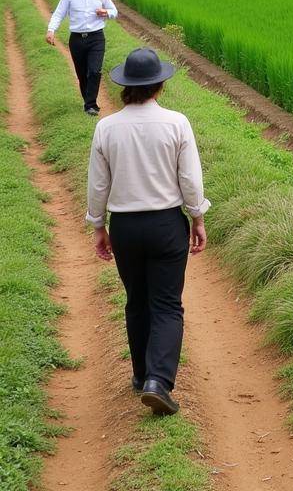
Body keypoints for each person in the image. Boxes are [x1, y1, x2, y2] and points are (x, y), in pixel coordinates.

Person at [86, 47, 210, 416]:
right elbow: (189, 179)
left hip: (125, 226)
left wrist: (98, 226)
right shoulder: (176, 123)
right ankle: (158, 380)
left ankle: (141, 377)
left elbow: (98, 184)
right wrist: (198, 217)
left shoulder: (106, 126)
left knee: (136, 301)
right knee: (167, 304)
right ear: (159, 85)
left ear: (125, 87)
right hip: (166, 224)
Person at [46, 0, 118, 116]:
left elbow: (114, 11)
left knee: (94, 70)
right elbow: (59, 13)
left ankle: (91, 105)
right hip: (77, 39)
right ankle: (88, 100)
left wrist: (106, 12)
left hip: (96, 38)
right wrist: (51, 30)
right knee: (81, 72)